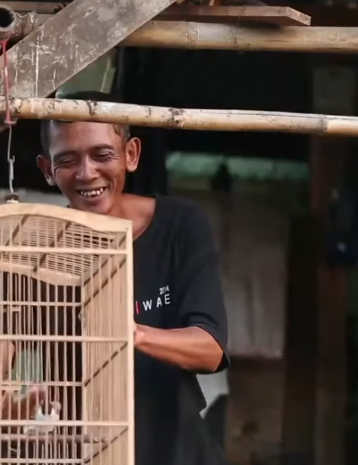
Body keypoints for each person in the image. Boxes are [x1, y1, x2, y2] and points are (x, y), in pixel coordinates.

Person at [37, 90, 230, 465]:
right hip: (82, 452)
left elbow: (210, 349)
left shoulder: (180, 225)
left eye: (102, 155)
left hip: (176, 450)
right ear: (47, 169)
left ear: (131, 155)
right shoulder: (40, 247)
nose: (86, 173)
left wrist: (129, 333)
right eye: (67, 160)